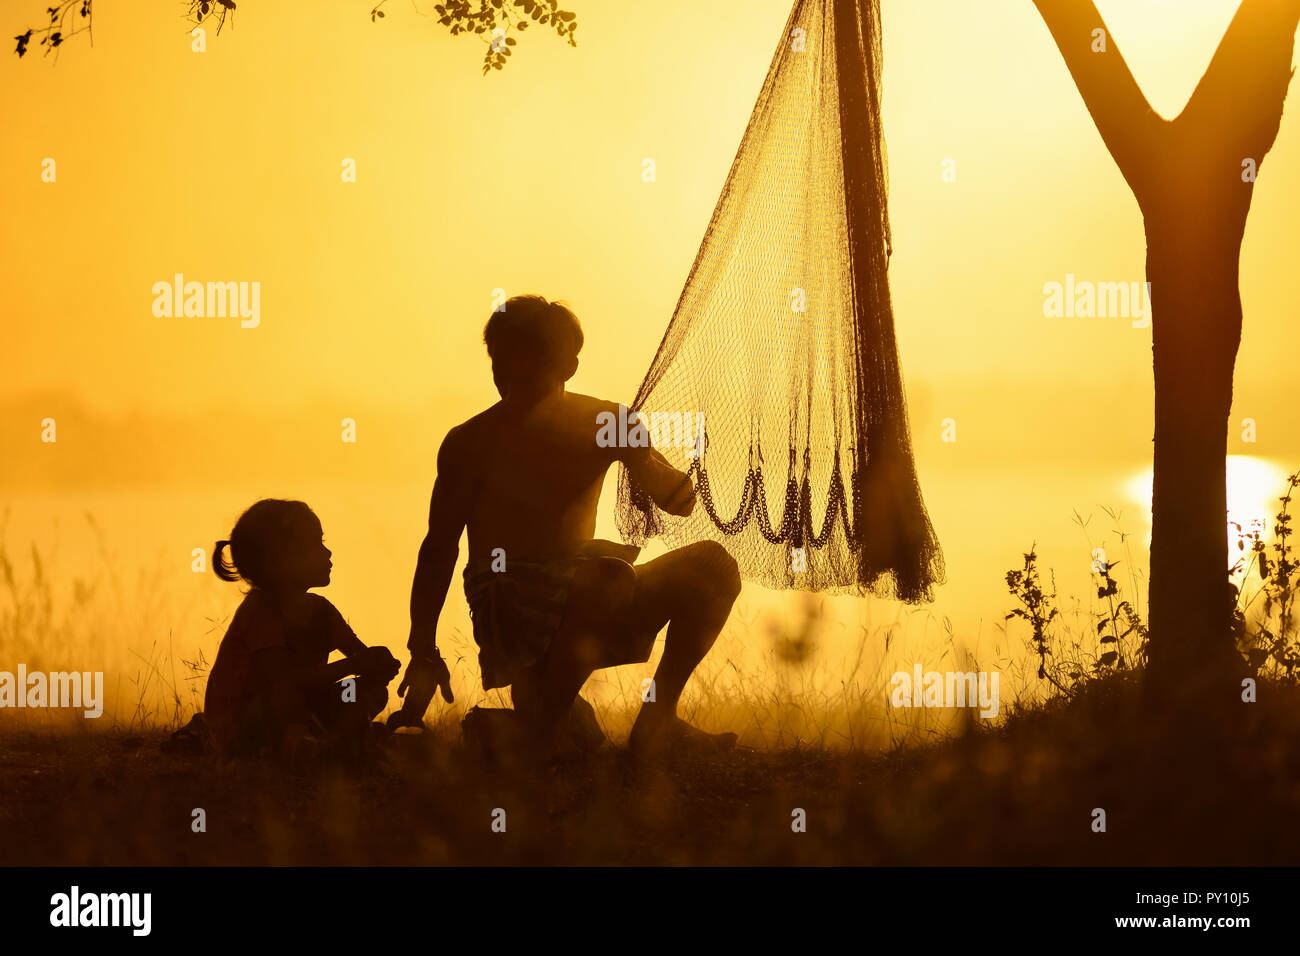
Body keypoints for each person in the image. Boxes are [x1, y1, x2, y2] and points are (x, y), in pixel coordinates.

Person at [390, 295, 742, 758]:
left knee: (711, 565)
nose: (513, 381)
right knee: (609, 575)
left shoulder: (608, 422)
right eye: (503, 366)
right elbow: (439, 547)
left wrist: (649, 463)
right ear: (494, 365)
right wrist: (423, 648)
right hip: (512, 606)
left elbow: (679, 503)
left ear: (567, 367)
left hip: (592, 594)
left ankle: (651, 719)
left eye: (529, 370)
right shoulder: (469, 443)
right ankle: (540, 728)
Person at [204, 499, 401, 760]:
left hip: (303, 706)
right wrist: (355, 664)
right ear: (281, 559)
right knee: (283, 695)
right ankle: (306, 745)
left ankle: (335, 740)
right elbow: (286, 680)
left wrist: (379, 663)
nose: (327, 553)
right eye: (315, 544)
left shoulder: (322, 611)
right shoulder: (260, 612)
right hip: (247, 721)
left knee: (367, 690)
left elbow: (359, 655)